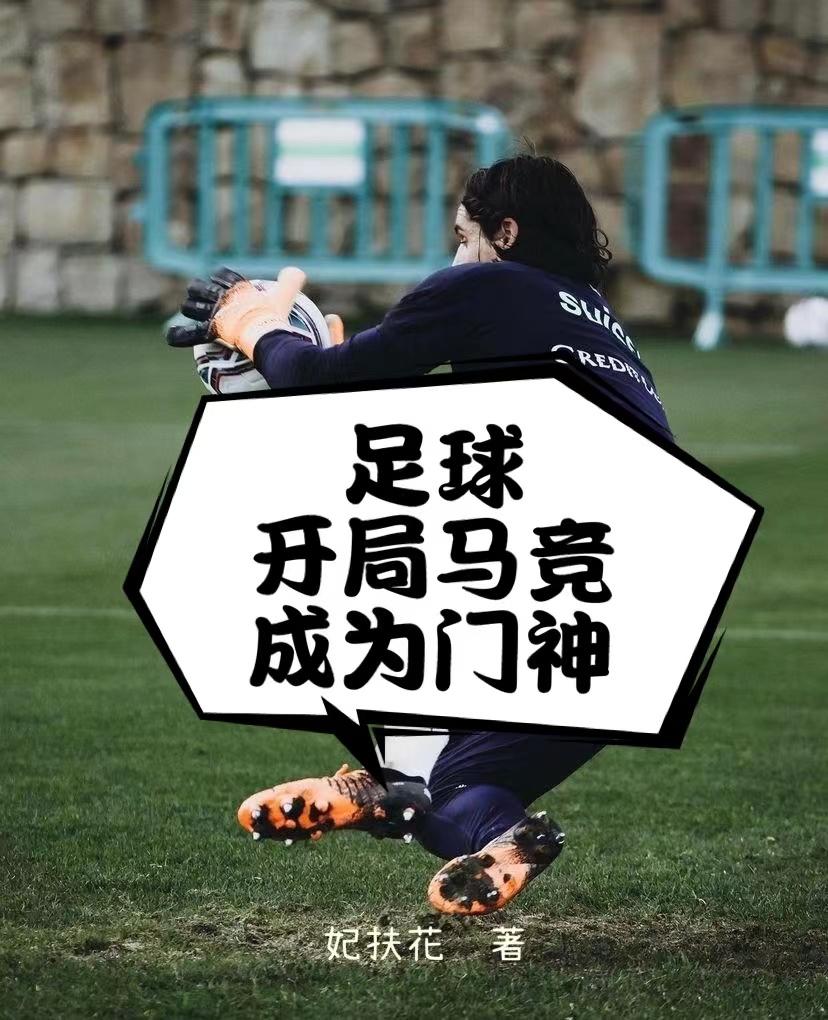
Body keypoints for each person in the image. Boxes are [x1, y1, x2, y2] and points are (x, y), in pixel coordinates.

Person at [174, 154, 674, 915]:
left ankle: (384, 787)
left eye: (463, 236)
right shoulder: (600, 322)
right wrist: (333, 376)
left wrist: (256, 328)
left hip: (555, 561)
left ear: (505, 233)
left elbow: (324, 388)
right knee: (462, 793)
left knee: (337, 573)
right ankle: (501, 836)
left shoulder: (485, 284)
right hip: (645, 605)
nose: (456, 255)